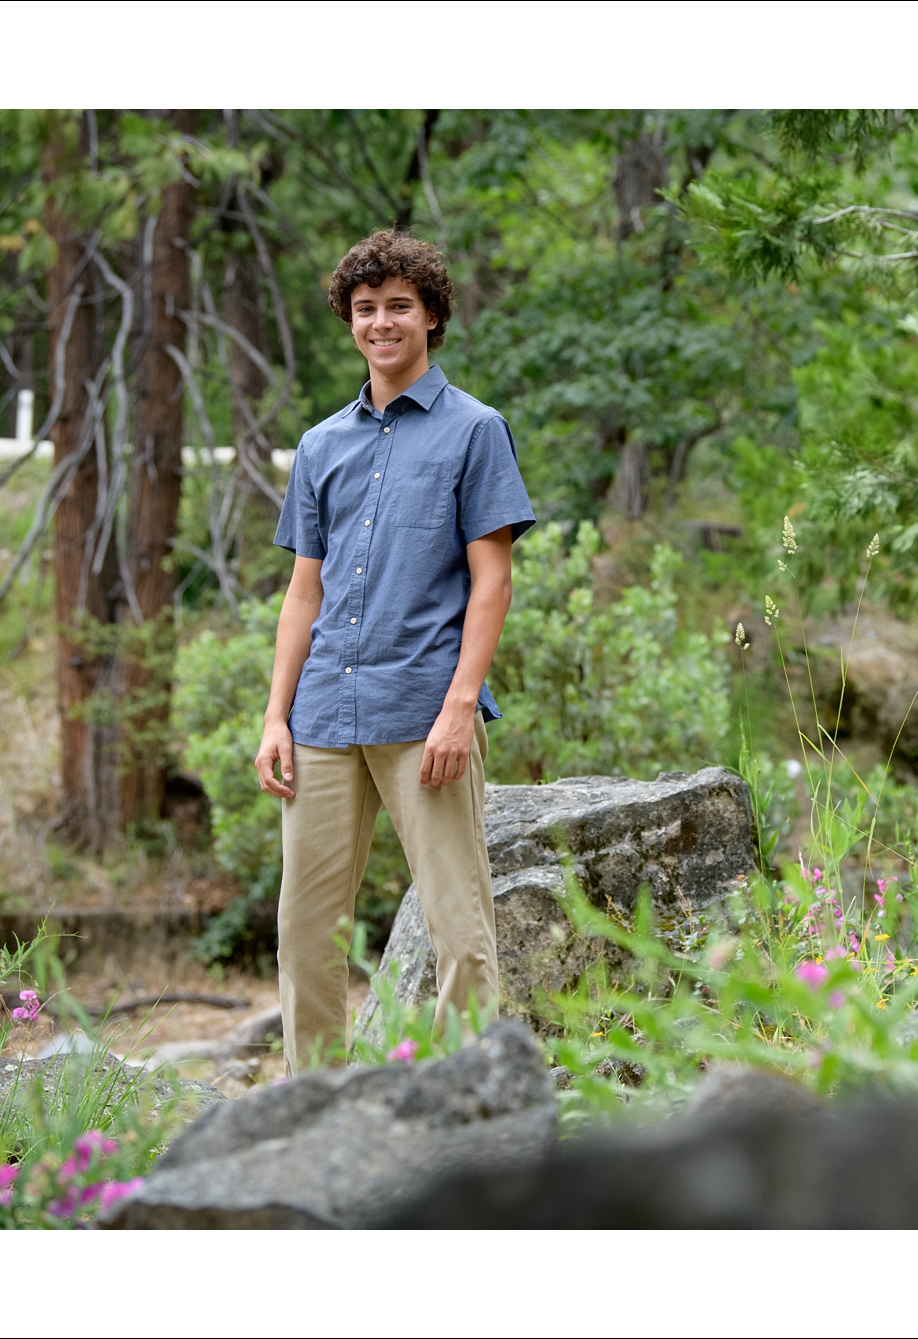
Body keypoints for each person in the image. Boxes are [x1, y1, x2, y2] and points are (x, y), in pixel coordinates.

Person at [254, 231, 535, 1069]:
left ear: (433, 316)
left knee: (462, 930)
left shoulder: (476, 431)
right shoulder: (319, 446)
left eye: (399, 306)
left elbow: (493, 582)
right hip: (323, 719)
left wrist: (459, 706)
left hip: (424, 715)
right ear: (349, 319)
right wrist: (275, 715)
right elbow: (305, 591)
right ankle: (318, 1108)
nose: (381, 322)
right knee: (305, 933)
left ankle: (467, 1104)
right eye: (366, 307)